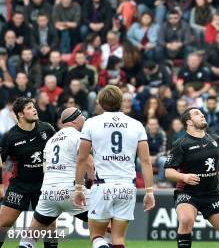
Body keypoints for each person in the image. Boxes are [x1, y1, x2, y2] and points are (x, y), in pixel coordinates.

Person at [74, 85, 155, 248]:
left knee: (97, 236)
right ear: (121, 101)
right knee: (118, 240)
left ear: (100, 102)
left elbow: (82, 158)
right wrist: (149, 191)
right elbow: (146, 161)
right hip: (127, 186)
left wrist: (78, 188)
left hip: (103, 185)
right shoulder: (136, 124)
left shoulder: (91, 123)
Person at [165, 107, 219, 247]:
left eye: (202, 113)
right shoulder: (181, 144)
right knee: (186, 220)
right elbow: (168, 172)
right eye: (197, 113)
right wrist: (184, 177)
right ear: (189, 122)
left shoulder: (216, 139)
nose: (202, 115)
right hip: (188, 193)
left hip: (212, 194)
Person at [19, 108, 93, 248]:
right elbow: (88, 161)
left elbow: (46, 170)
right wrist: (90, 181)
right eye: (82, 115)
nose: (84, 118)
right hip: (71, 190)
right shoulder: (79, 136)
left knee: (30, 236)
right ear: (75, 119)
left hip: (48, 192)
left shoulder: (51, 141)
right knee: (107, 226)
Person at [0, 97, 55, 247]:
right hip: (20, 186)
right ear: (20, 114)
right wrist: (0, 186)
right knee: (2, 225)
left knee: (50, 227)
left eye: (34, 106)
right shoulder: (10, 137)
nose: (34, 109)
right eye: (29, 108)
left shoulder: (47, 129)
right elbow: (0, 161)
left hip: (44, 186)